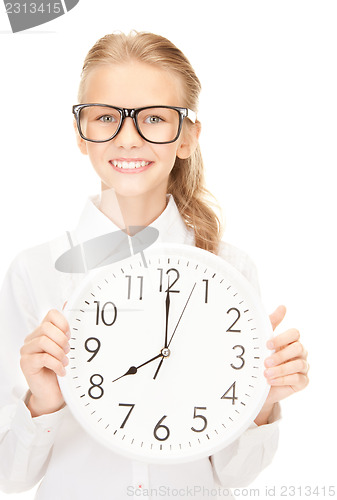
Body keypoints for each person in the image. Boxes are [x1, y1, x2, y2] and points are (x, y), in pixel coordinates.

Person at [0, 31, 309, 499]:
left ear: (187, 138)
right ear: (82, 134)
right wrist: (43, 401)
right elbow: (11, 476)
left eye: (155, 119)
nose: (128, 138)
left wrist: (265, 399)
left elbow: (235, 474)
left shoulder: (228, 270)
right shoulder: (36, 271)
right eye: (106, 117)